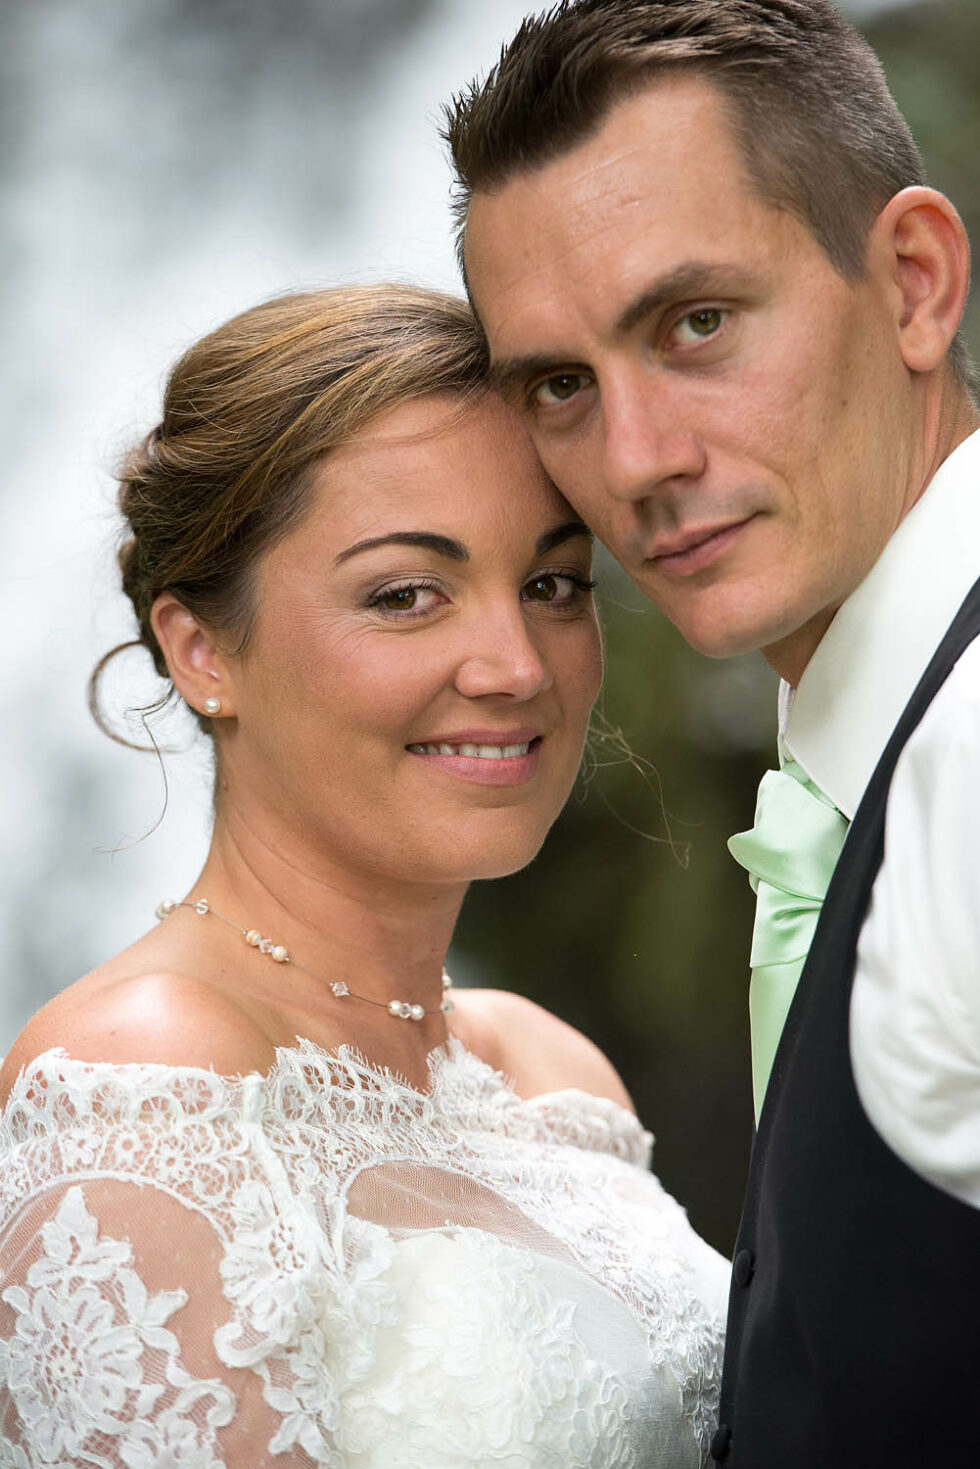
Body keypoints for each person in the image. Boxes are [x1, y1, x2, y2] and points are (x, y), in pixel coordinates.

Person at [0, 284, 728, 1467]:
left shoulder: (551, 1074)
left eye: (550, 583)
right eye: (404, 594)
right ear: (201, 651)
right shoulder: (149, 1081)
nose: (513, 665)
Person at [445, 0, 980, 1464]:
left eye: (695, 325)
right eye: (560, 386)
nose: (635, 462)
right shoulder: (873, 759)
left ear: (915, 283)